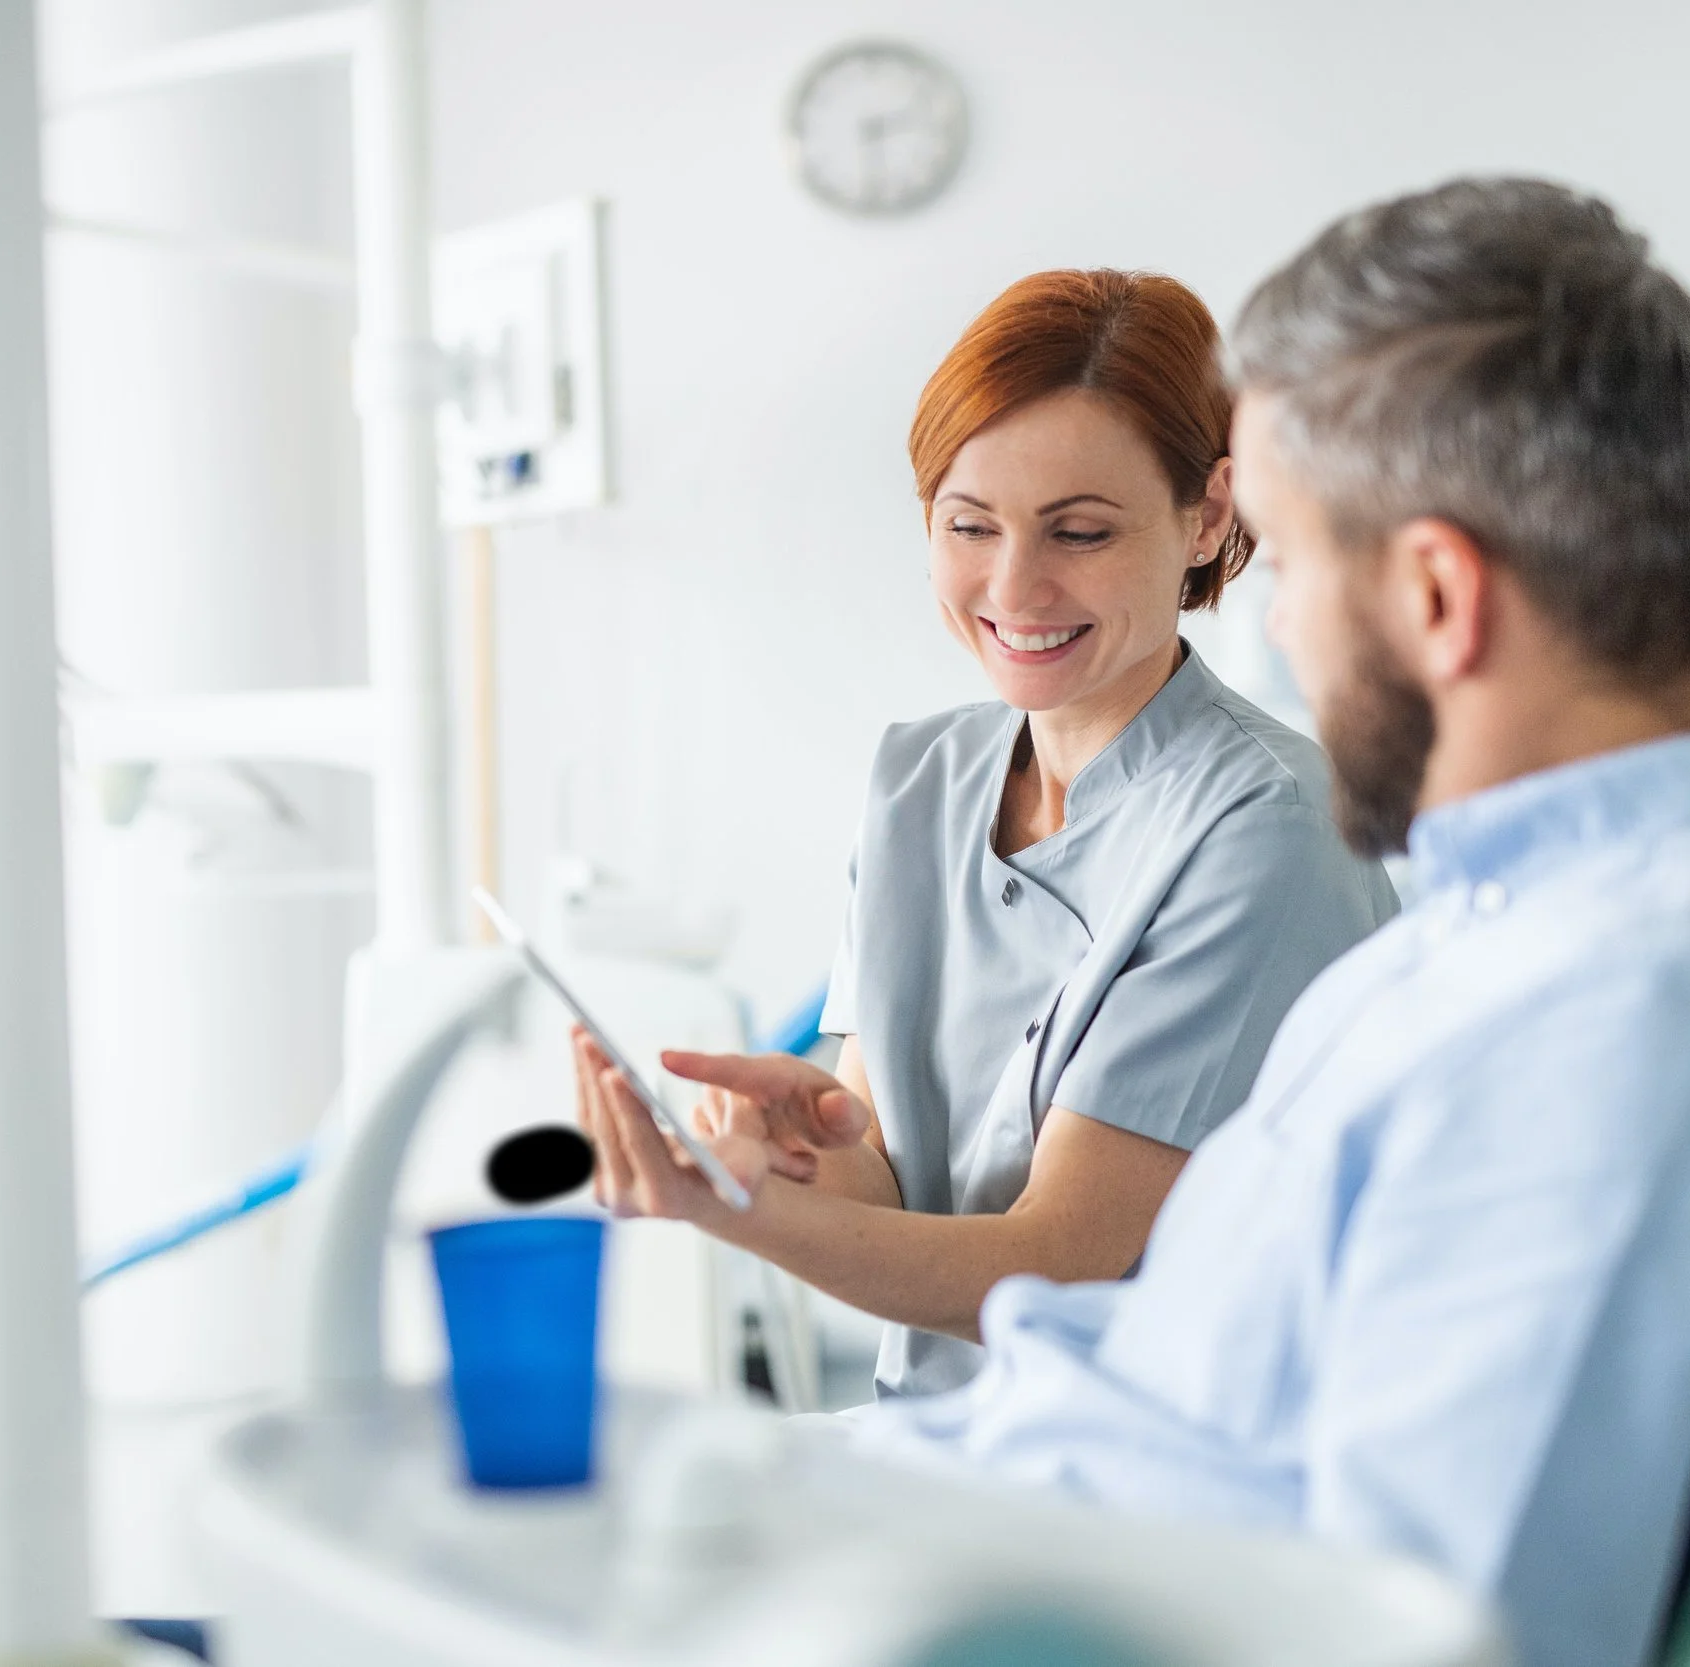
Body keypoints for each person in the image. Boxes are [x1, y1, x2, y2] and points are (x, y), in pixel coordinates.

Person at [835, 179, 1690, 1667]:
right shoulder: (1501, 934)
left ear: (1435, 595)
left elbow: (1422, 1628)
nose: (1275, 622)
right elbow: (1161, 1376)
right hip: (983, 1520)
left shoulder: (1632, 1021)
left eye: (1289, 556)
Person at [573, 270, 1397, 1398]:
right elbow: (893, 1190)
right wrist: (800, 1154)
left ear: (1208, 514)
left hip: (1156, 1485)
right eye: (970, 524)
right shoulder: (919, 778)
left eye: (1081, 530)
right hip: (945, 1446)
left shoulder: (1266, 823)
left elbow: (1051, 1264)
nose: (1015, 586)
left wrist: (740, 1212)